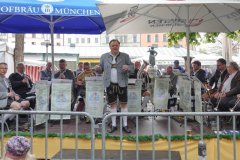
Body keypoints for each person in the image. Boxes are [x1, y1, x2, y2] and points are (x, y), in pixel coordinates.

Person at [96, 39, 134, 133]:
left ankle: (125, 125)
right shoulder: (104, 56)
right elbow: (100, 69)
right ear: (110, 47)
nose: (115, 47)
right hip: (109, 84)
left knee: (124, 104)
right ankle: (113, 125)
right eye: (113, 45)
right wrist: (98, 68)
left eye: (116, 45)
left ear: (119, 46)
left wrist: (128, 68)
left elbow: (132, 68)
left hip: (122, 84)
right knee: (112, 105)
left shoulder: (125, 56)